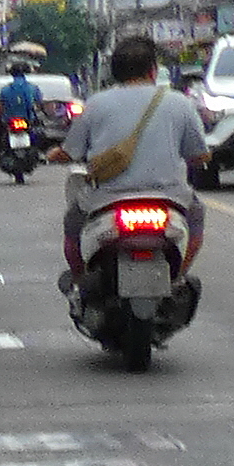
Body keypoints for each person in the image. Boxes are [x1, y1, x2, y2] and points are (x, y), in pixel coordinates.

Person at [61, 30, 208, 285]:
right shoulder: (180, 103)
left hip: (106, 199)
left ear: (115, 71)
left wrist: (55, 154)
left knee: (72, 226)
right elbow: (199, 155)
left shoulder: (95, 104)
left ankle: (79, 282)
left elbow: (70, 151)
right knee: (196, 218)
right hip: (170, 198)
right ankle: (179, 277)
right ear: (153, 69)